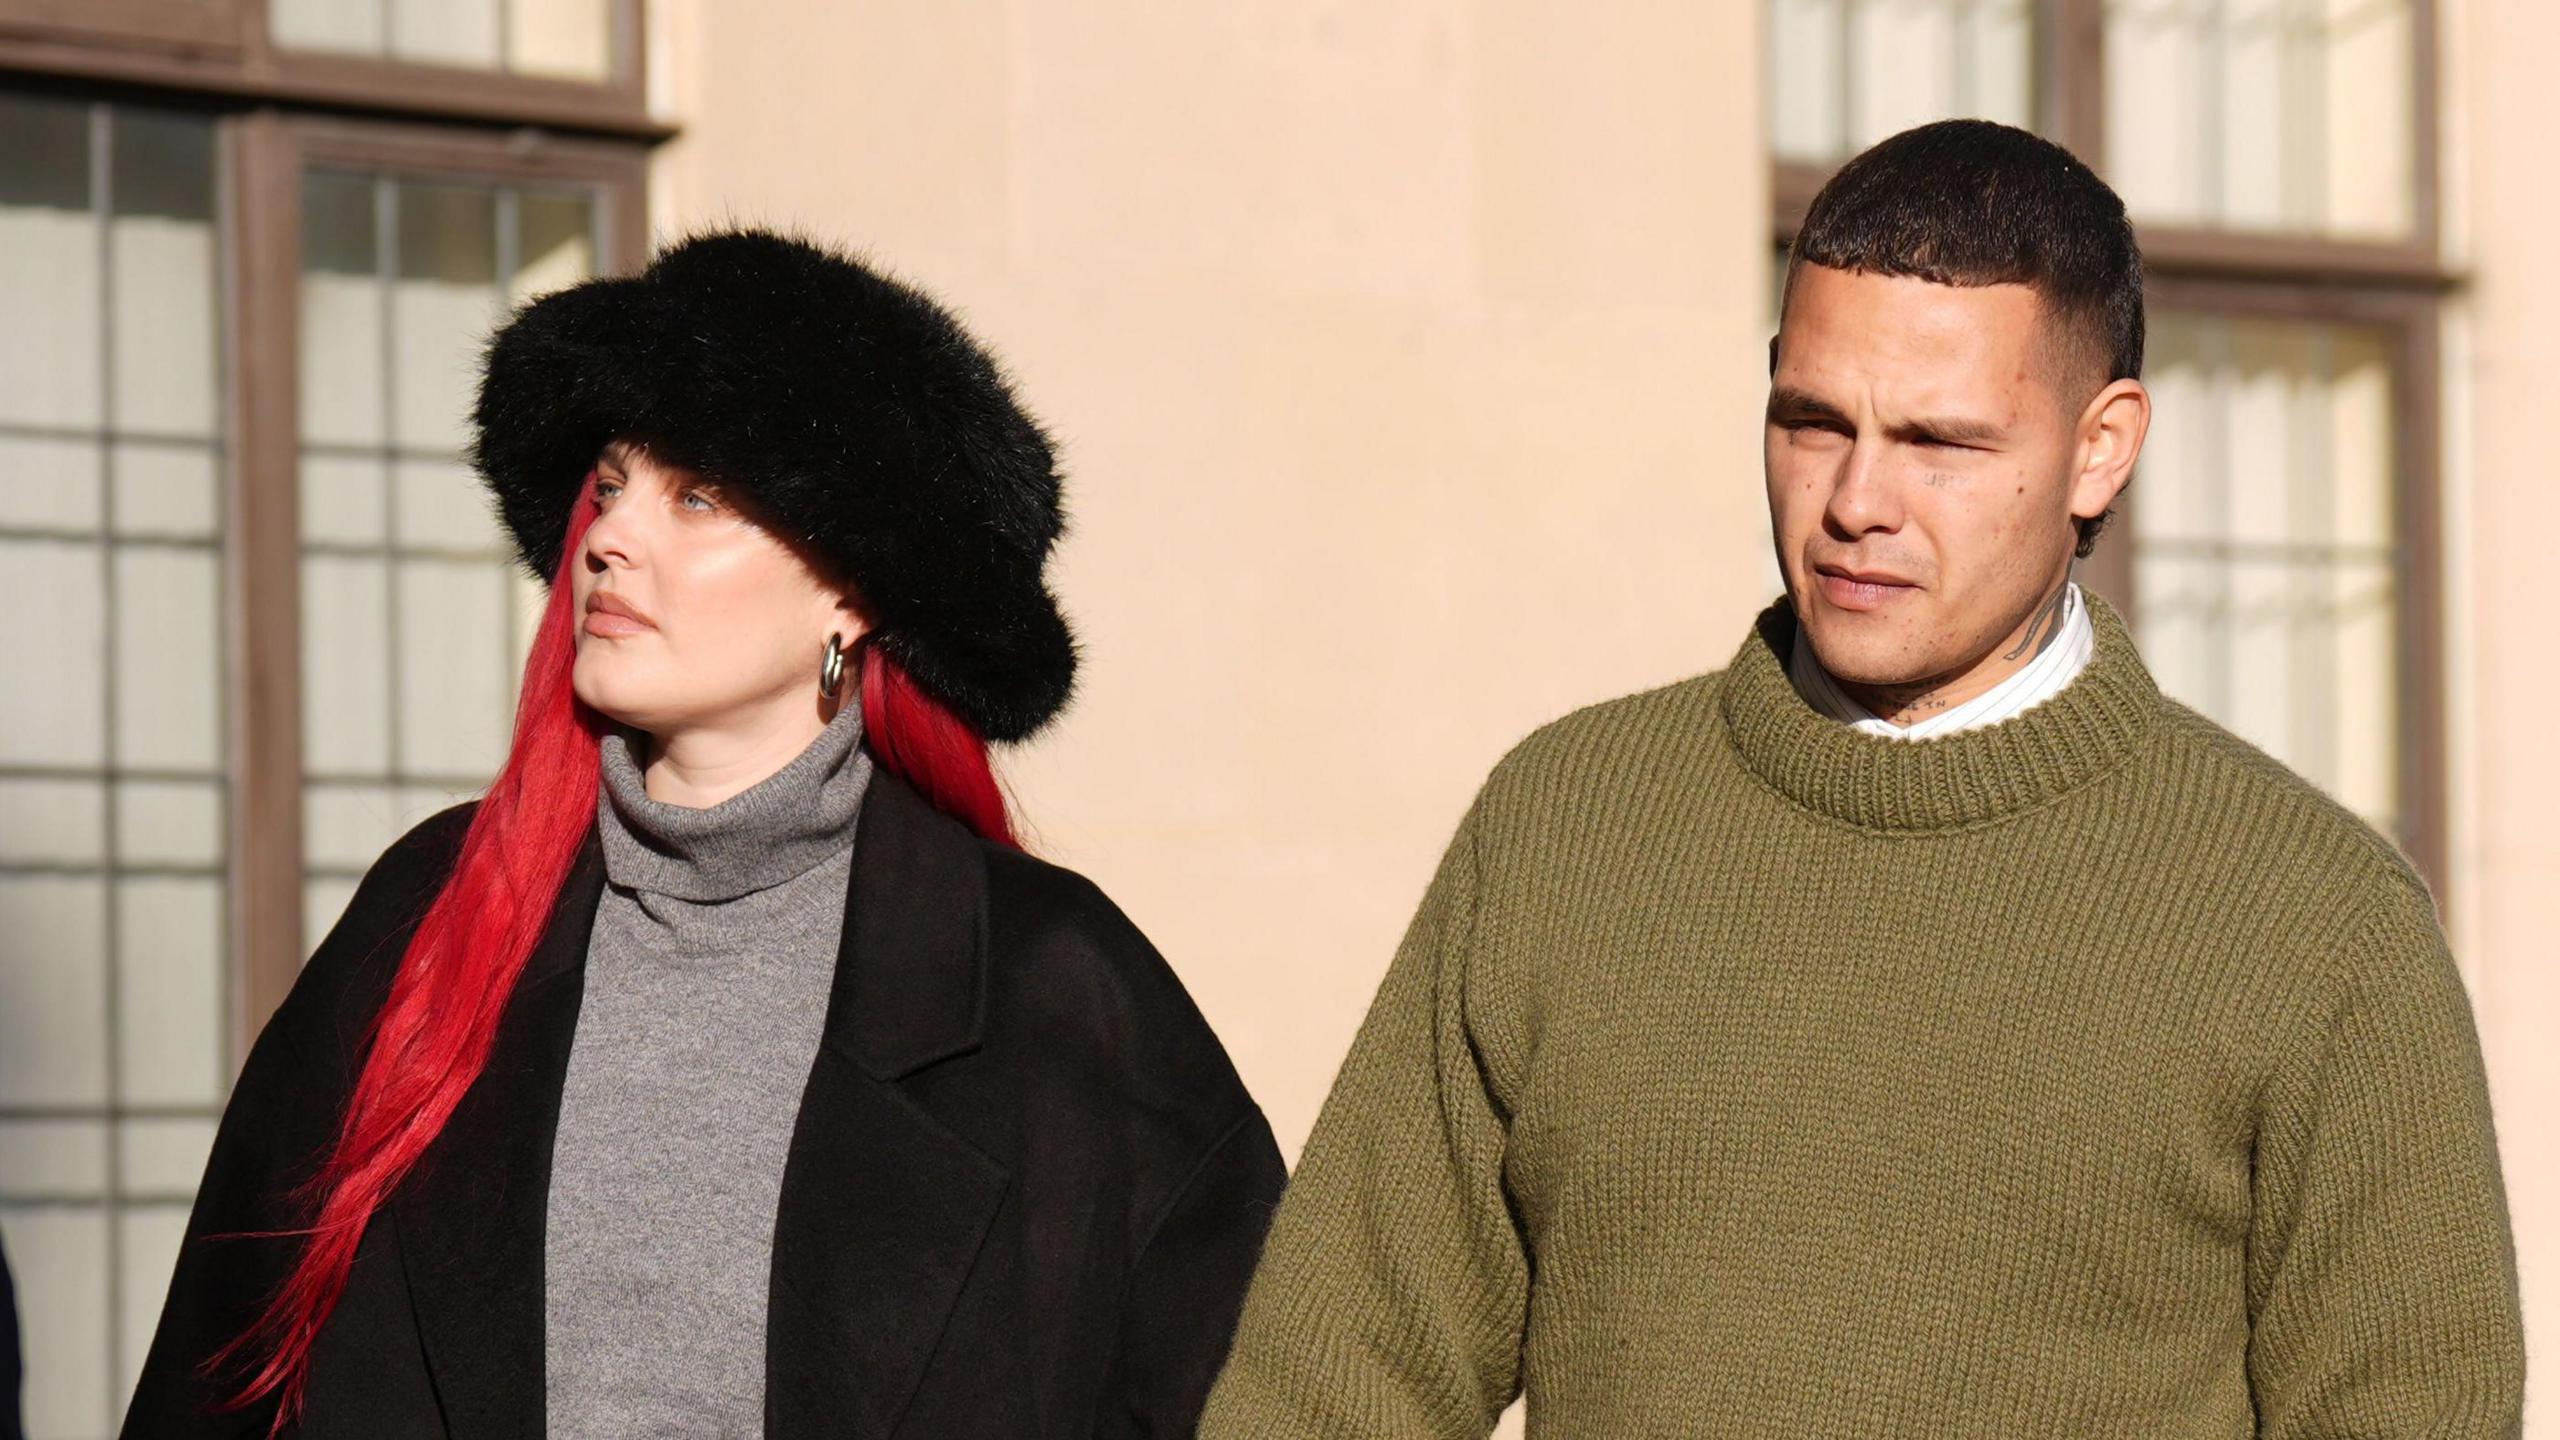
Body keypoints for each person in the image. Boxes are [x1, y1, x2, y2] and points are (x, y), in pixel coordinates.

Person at [1200, 120, 2522, 1437]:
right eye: (1813, 421)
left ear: (2102, 448)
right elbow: (1335, 1384)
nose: (1855, 502)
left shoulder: (2313, 920)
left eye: (1941, 443)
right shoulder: (1565, 828)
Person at [124, 229, 1284, 1439]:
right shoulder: (431, 911)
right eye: (612, 487)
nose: (612, 539)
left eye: (698, 497)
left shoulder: (1051, 983)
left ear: (850, 591)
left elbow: (1258, 1385)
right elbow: (212, 1381)